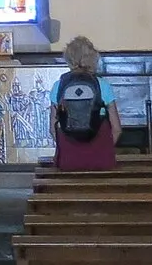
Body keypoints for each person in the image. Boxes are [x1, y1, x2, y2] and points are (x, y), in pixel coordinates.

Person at [50, 35, 121, 171]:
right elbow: (117, 129)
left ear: (69, 58)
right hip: (101, 159)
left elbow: (52, 128)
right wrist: (104, 149)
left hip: (68, 159)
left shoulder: (58, 86)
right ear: (93, 58)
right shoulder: (102, 85)